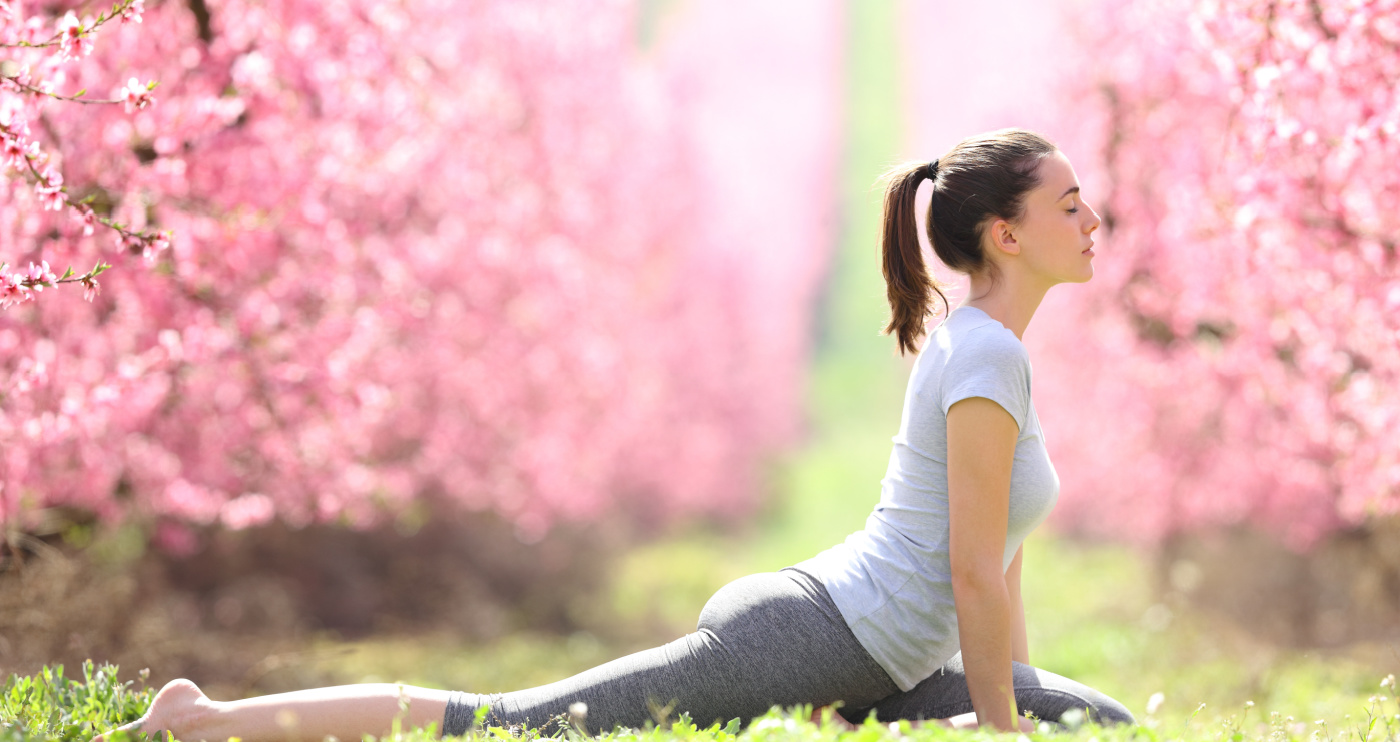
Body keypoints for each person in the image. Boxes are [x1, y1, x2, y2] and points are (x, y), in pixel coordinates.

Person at [102, 128, 1134, 742]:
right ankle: (209, 721)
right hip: (814, 636)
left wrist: (1015, 701)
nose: (1092, 222)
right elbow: (968, 573)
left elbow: (998, 565)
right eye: (1070, 206)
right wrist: (998, 730)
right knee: (514, 725)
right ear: (1005, 234)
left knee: (1096, 722)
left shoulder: (986, 347)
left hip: (886, 659)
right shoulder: (986, 354)